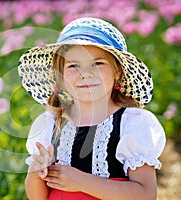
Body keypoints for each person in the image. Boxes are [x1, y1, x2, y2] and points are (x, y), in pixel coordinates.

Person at [18, 17, 166, 200]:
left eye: (98, 63)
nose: (86, 74)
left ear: (117, 71)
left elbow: (145, 194)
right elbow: (37, 197)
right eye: (74, 66)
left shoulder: (130, 123)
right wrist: (35, 172)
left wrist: (82, 182)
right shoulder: (51, 123)